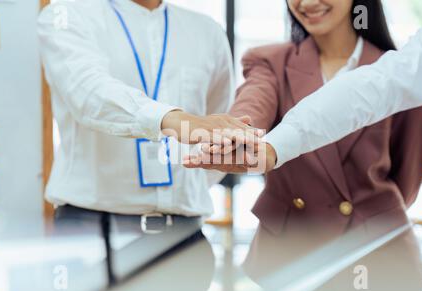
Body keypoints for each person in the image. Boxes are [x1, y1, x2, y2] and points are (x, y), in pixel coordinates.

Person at [186, 0, 422, 240]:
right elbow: (254, 103)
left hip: (375, 248)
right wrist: (238, 132)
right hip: (291, 245)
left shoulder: (398, 68)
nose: (308, 2)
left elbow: (407, 179)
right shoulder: (271, 62)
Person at [38, 0, 258, 218]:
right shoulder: (64, 15)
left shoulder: (208, 31)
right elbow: (88, 93)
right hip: (93, 224)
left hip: (186, 227)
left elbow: (217, 118)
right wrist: (175, 121)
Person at [186, 19, 422, 171]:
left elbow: (408, 169)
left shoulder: (384, 56)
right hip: (289, 240)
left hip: (375, 242)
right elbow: (365, 92)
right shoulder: (271, 59)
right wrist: (246, 136)